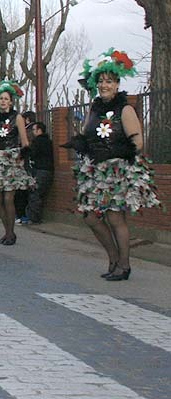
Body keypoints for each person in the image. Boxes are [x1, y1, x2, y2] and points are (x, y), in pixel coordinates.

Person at [65, 49, 160, 281]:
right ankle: (113, 257)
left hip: (117, 170)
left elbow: (137, 142)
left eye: (109, 81)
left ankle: (124, 265)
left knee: (116, 218)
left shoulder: (125, 109)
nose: (104, 85)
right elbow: (87, 136)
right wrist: (80, 144)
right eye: (100, 81)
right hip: (95, 170)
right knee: (90, 217)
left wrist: (116, 154)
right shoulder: (94, 109)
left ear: (117, 84)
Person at [0, 80, 35, 245]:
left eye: (6, 98)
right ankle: (7, 232)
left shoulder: (17, 117)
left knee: (8, 198)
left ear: (11, 101)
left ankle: (10, 234)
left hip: (11, 159)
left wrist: (24, 156)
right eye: (0, 99)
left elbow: (24, 141)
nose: (3, 101)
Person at [25, 122, 54, 224]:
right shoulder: (49, 141)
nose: (32, 132)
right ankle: (34, 217)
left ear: (39, 130)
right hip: (48, 170)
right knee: (39, 194)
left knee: (34, 193)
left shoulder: (37, 141)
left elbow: (32, 153)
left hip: (40, 170)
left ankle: (34, 218)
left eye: (33, 130)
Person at [15, 111, 37, 224]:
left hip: (25, 163)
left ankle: (21, 214)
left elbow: (24, 146)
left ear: (27, 119)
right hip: (27, 163)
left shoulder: (28, 131)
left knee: (21, 190)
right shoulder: (30, 130)